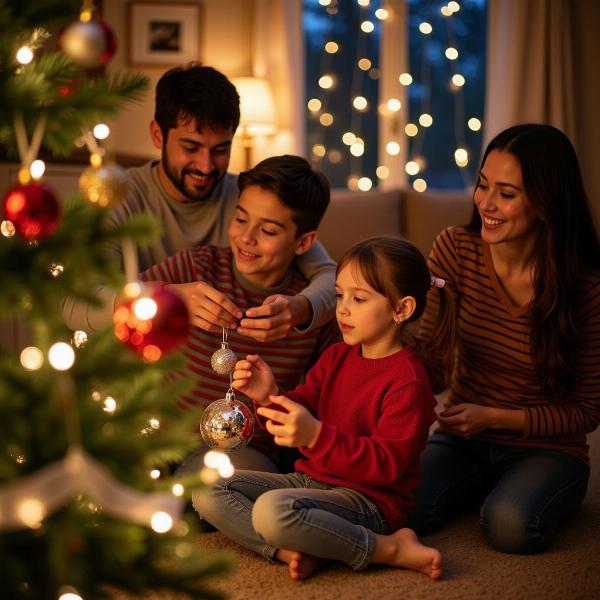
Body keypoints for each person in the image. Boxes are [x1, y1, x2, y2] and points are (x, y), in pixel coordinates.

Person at [194, 237, 457, 581]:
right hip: (312, 480)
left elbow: (387, 466)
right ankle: (297, 548)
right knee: (205, 485)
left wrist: (317, 436)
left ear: (401, 310)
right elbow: (302, 406)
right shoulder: (337, 355)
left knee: (273, 511)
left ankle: (386, 547)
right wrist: (269, 395)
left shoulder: (408, 381)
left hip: (369, 501)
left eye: (358, 298)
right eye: (339, 295)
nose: (343, 308)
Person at [409, 124, 600, 555]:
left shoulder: (585, 288)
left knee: (510, 527)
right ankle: (489, 486)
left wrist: (493, 417)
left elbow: (587, 412)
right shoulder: (456, 249)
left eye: (507, 193)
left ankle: (515, 492)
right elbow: (434, 365)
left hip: (547, 449)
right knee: (402, 506)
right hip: (464, 436)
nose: (486, 204)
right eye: (482, 185)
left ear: (546, 202)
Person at [61, 63, 336, 340]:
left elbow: (329, 275)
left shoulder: (247, 201)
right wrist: (163, 300)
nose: (206, 166)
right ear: (158, 134)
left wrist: (302, 308)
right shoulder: (116, 197)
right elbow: (74, 303)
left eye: (220, 150)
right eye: (191, 147)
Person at [138, 155, 339, 472]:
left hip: (239, 452)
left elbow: (319, 405)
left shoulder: (308, 312)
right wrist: (169, 296)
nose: (246, 238)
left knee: (213, 488)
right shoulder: (196, 267)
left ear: (304, 242)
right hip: (160, 438)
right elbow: (124, 299)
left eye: (268, 231)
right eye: (241, 219)